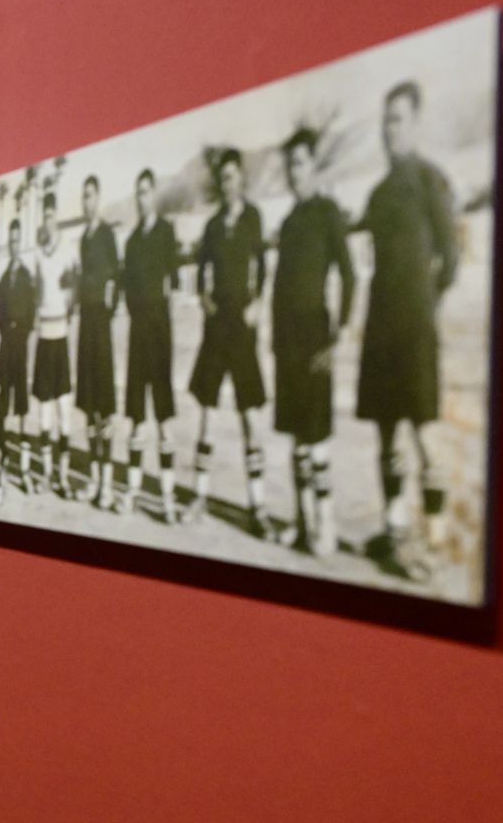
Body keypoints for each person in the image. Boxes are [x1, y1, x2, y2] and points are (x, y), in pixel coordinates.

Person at [357, 80, 460, 571]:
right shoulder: (377, 195)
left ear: (415, 124)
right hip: (381, 326)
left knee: (424, 431)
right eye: (385, 120)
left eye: (397, 119)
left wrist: (427, 302)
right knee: (385, 434)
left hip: (416, 327)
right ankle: (395, 530)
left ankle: (436, 542)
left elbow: (452, 256)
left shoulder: (431, 181)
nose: (388, 129)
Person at [272, 128, 357, 556]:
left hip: (316, 337)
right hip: (286, 342)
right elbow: (280, 286)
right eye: (289, 167)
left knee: (317, 437)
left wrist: (338, 334)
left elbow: (349, 275)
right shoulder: (287, 222)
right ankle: (302, 521)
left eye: (301, 164)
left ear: (314, 166)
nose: (294, 173)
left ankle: (324, 525)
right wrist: (273, 344)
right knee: (295, 438)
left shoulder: (328, 212)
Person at [188, 147, 271, 534]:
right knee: (207, 412)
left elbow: (265, 269)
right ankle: (199, 496)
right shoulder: (211, 226)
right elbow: (198, 272)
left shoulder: (254, 218)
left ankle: (258, 507)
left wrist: (257, 304)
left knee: (249, 415)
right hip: (216, 324)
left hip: (243, 326)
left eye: (235, 177)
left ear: (242, 180)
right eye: (224, 179)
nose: (229, 184)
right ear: (220, 184)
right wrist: (204, 301)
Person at [121, 168, 181, 519]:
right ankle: (132, 489)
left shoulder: (166, 233)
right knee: (135, 415)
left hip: (160, 333)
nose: (142, 198)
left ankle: (168, 496)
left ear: (154, 194)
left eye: (146, 192)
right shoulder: (131, 242)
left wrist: (161, 315)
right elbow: (128, 288)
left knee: (163, 414)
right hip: (137, 333)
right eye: (137, 193)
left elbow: (173, 281)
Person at [75, 175, 122, 507]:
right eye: (83, 197)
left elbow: (116, 279)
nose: (86, 202)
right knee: (89, 406)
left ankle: (107, 483)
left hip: (101, 327)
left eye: (90, 196)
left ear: (99, 198)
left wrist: (109, 310)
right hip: (85, 327)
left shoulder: (106, 235)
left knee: (104, 406)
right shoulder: (83, 239)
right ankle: (93, 480)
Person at [30, 192, 78, 494]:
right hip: (43, 338)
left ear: (56, 216)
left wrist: (68, 308)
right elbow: (36, 289)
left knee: (64, 408)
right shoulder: (37, 253)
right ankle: (47, 475)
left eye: (51, 216)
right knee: (44, 410)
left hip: (60, 336)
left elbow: (75, 287)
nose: (47, 221)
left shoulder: (68, 249)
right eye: (44, 217)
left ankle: (63, 476)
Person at [0, 217, 37, 480]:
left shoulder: (25, 276)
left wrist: (20, 333)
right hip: (5, 347)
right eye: (10, 242)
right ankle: (1, 457)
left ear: (20, 243)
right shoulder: (2, 278)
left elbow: (31, 313)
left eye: (16, 241)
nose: (13, 246)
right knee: (3, 401)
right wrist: (6, 330)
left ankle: (23, 466)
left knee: (21, 401)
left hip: (20, 345)